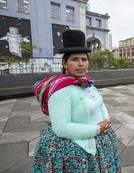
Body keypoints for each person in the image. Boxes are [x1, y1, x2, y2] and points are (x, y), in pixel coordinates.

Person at [32, 30, 121, 173]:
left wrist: (106, 120)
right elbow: (61, 128)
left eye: (84, 59)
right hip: (77, 150)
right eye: (75, 59)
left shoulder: (87, 83)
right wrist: (97, 129)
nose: (81, 64)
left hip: (100, 140)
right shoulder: (61, 91)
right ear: (64, 63)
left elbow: (100, 103)